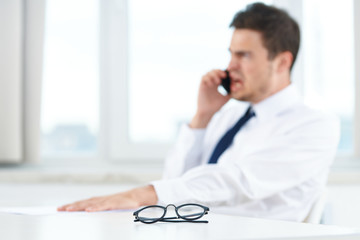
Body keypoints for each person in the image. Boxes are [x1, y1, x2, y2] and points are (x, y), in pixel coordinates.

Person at [58, 2, 340, 222]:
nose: (230, 65)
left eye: (244, 55)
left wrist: (141, 194)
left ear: (281, 62)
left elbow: (239, 180)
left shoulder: (314, 125)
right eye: (230, 53)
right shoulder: (229, 117)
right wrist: (202, 118)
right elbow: (175, 184)